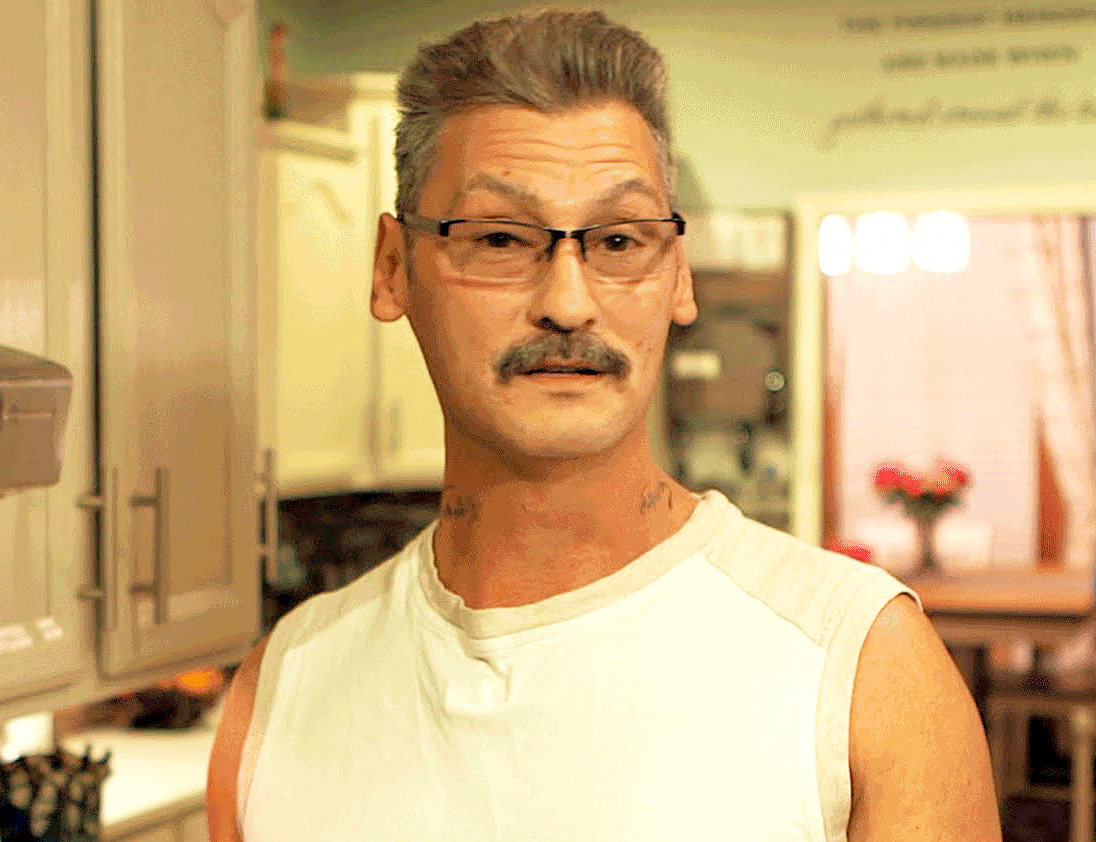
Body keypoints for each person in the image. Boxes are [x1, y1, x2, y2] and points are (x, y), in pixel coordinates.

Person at [207, 10, 1001, 841]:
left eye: (619, 240)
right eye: (500, 238)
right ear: (393, 268)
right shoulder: (286, 690)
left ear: (677, 277)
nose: (568, 302)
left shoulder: (861, 672)